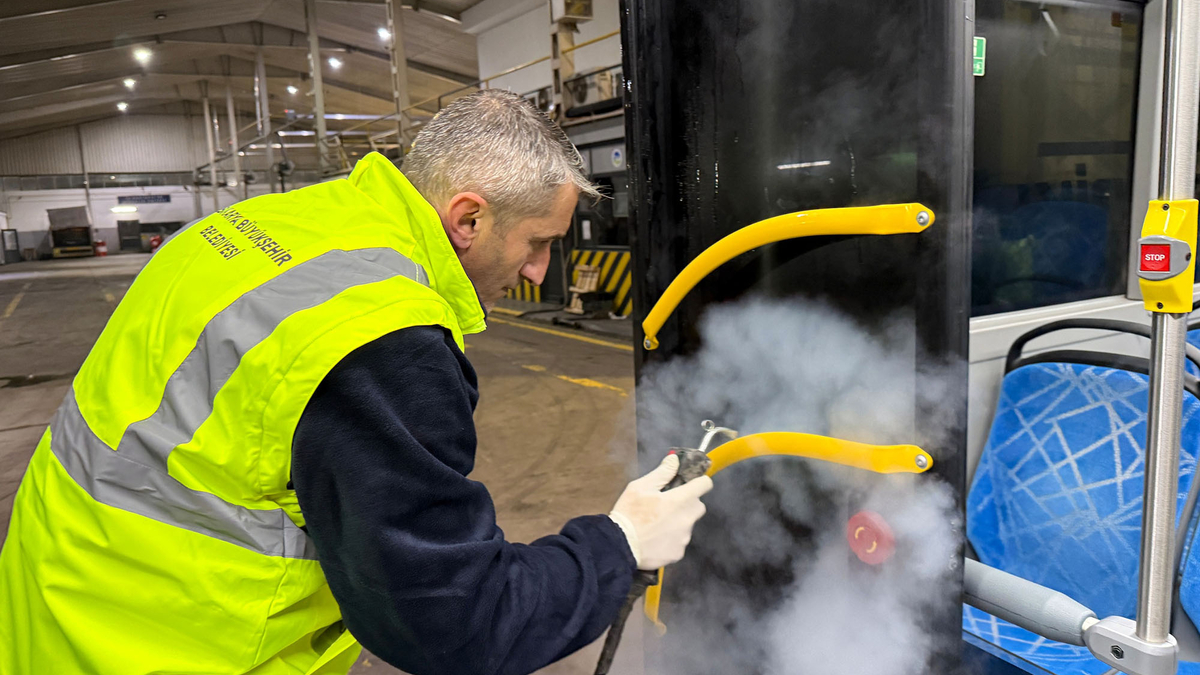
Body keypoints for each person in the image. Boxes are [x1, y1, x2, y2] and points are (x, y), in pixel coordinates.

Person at [0, 90, 712, 675]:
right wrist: (618, 544)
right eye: (539, 243)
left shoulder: (253, 228)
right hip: (180, 647)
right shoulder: (383, 337)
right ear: (468, 217)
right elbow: (455, 621)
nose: (538, 272)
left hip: (55, 603)